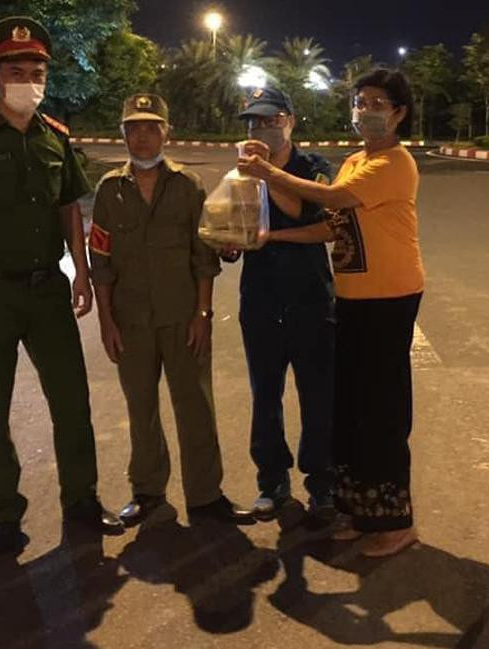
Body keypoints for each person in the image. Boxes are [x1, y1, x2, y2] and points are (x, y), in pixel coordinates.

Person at [0, 16, 124, 555]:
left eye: (36, 73)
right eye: (16, 72)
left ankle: (81, 500)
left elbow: (69, 211)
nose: (27, 81)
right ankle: (6, 513)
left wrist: (82, 274)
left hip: (47, 292)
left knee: (72, 401)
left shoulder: (55, 138)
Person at [237, 68, 424, 557]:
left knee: (383, 412)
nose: (366, 111)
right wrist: (269, 237)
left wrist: (269, 174)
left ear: (399, 113)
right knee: (354, 410)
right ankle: (362, 513)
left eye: (378, 103)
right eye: (360, 102)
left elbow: (333, 200)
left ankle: (396, 522)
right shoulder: (356, 161)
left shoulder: (395, 162)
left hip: (389, 298)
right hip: (352, 299)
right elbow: (331, 226)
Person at [89, 93, 253, 527]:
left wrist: (203, 315)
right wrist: (106, 321)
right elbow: (100, 261)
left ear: (166, 133)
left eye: (151, 127)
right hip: (130, 320)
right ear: (123, 134)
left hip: (183, 316)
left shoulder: (188, 186)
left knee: (196, 404)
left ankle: (206, 494)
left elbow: (204, 257)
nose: (142, 137)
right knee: (140, 407)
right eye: (133, 128)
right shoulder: (109, 190)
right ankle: (147, 491)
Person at [223, 87, 335, 528]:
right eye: (254, 123)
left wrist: (267, 176)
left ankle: (322, 484)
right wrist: (230, 243)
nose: (261, 129)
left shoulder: (314, 168)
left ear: (290, 121)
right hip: (261, 300)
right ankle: (272, 482)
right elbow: (236, 227)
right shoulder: (242, 175)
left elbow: (321, 224)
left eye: (270, 121)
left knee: (318, 396)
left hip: (311, 299)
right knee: (265, 395)